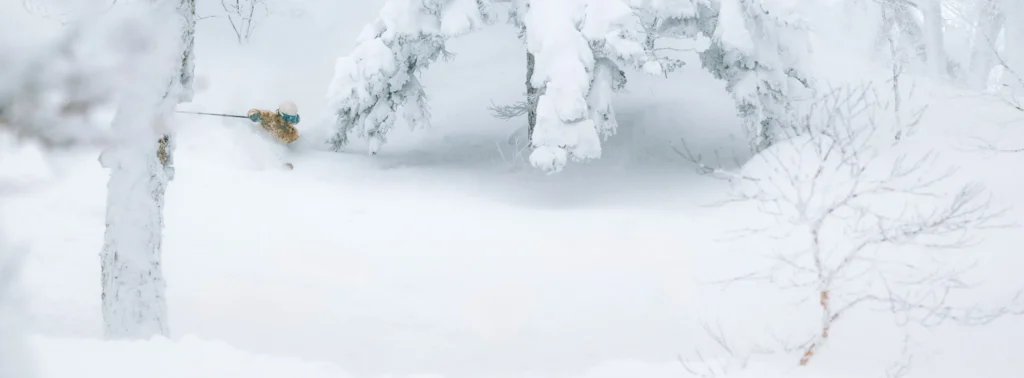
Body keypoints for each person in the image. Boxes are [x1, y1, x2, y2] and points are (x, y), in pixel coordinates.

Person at [247, 101, 300, 169]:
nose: (289, 121)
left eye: (292, 118)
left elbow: (295, 145)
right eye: (287, 118)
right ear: (281, 114)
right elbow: (257, 112)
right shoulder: (270, 117)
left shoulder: (292, 132)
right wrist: (254, 114)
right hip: (260, 141)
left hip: (277, 151)